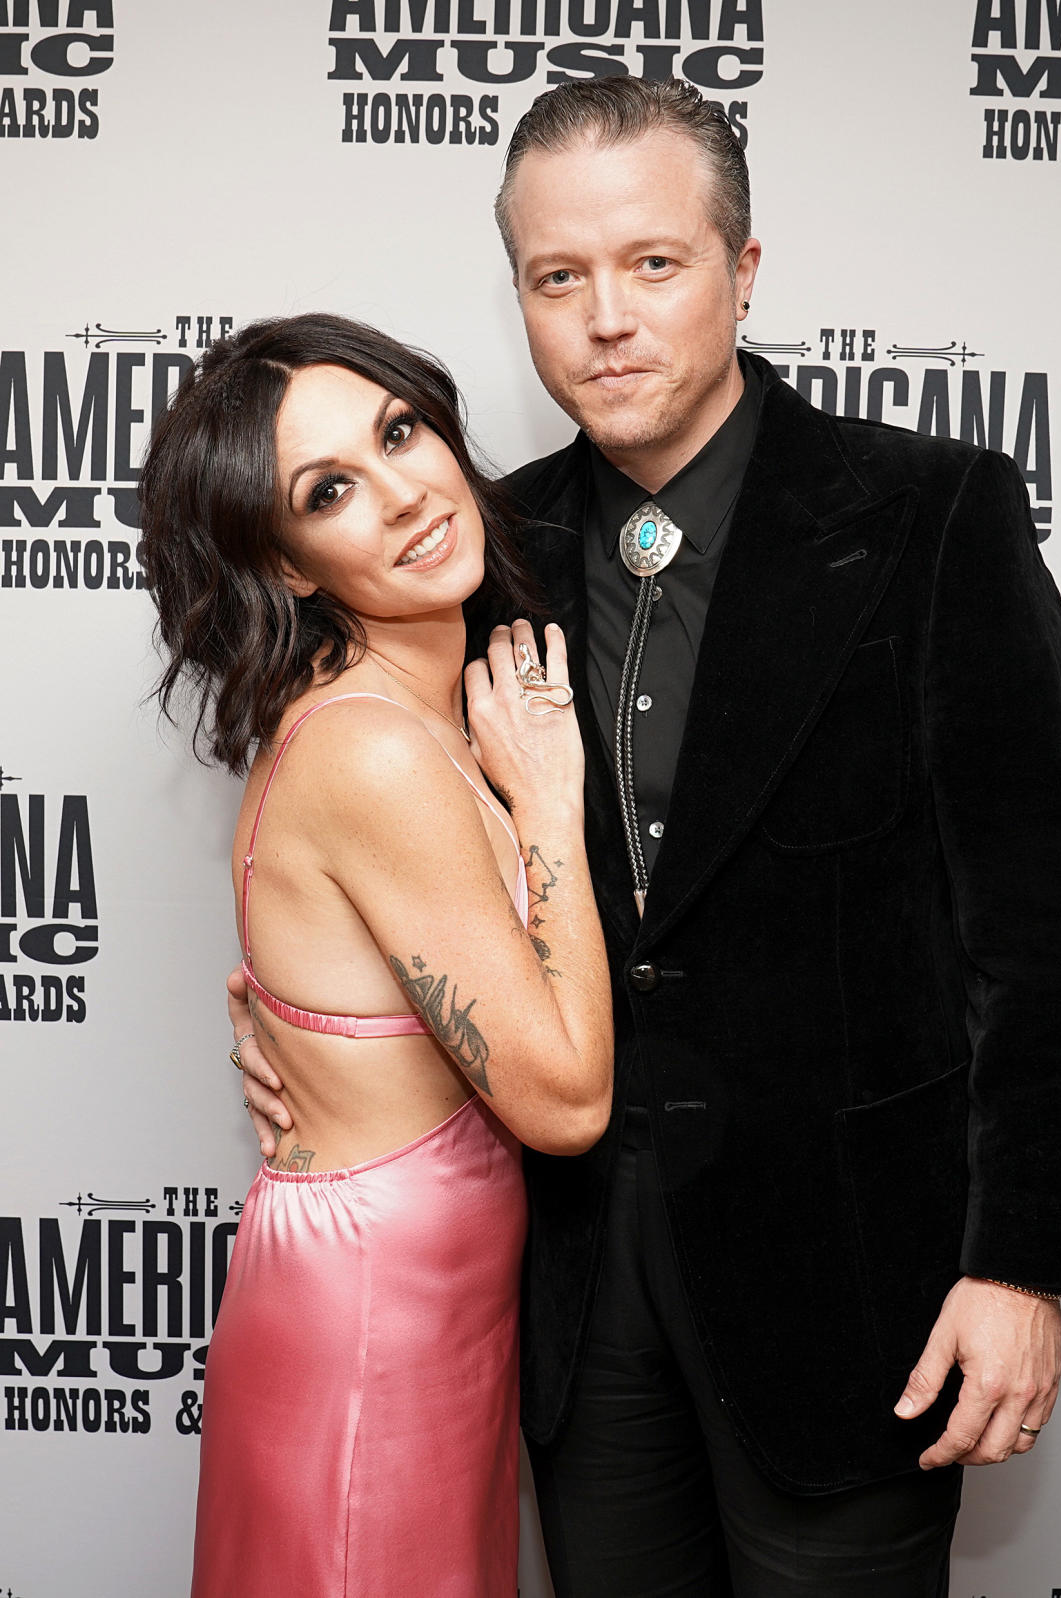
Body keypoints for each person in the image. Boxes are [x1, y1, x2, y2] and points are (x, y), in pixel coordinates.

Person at [235, 80, 1061, 1597]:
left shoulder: (929, 514)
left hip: (854, 1286)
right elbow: (371, 846)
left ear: (743, 267)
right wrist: (292, 1027)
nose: (605, 319)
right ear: (517, 292)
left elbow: (1047, 932)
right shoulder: (474, 551)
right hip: (572, 1298)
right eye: (556, 276)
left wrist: (1020, 1261)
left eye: (653, 264)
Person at [140, 312, 613, 1598]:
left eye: (401, 432)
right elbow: (565, 1100)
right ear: (286, 563)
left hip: (414, 1307)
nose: (405, 493)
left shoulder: (412, 714)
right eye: (331, 489)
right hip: (373, 1325)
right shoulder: (377, 750)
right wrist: (551, 802)